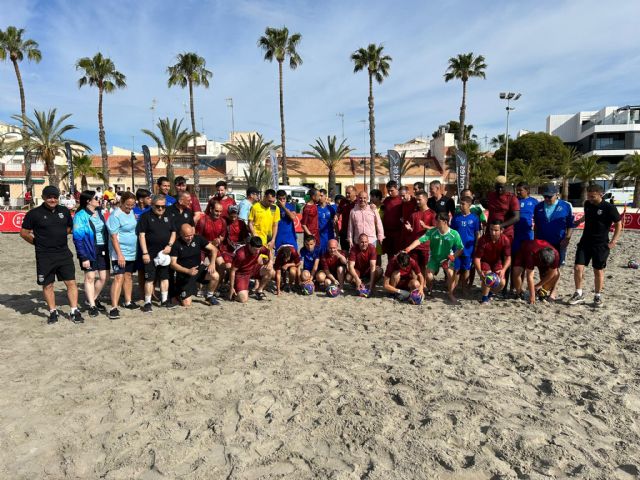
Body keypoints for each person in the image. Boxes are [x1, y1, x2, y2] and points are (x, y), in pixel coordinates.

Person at [20, 186, 82, 324]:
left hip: (63, 253)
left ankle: (74, 310)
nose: (52, 199)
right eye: (49, 197)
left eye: (55, 197)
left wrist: (58, 237)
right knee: (48, 285)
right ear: (43, 197)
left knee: (71, 282)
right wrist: (38, 243)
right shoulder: (34, 213)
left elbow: (69, 227)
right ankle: (53, 311)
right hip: (45, 255)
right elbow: (24, 233)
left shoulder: (64, 211)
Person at [568, 184, 622, 307]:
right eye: (589, 196)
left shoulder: (609, 207)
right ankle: (578, 293)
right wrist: (579, 221)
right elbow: (588, 215)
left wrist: (614, 241)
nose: (590, 199)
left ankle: (597, 296)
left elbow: (619, 224)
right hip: (585, 242)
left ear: (600, 194)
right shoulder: (587, 204)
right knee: (577, 268)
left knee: (598, 271)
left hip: (601, 244)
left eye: (592, 196)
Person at [404, 212, 464, 303]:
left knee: (451, 274)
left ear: (445, 221)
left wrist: (452, 256)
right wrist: (409, 248)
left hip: (446, 258)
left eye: (438, 220)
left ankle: (451, 294)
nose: (435, 222)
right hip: (434, 258)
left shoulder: (454, 234)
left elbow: (461, 248)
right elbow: (419, 241)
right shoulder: (432, 232)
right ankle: (430, 290)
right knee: (429, 276)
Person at [72, 190, 110, 317]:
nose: (99, 200)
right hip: (89, 249)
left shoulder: (99, 212)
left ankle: (91, 299)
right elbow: (77, 238)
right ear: (88, 201)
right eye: (96, 198)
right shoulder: (80, 215)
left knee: (104, 277)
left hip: (102, 248)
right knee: (90, 277)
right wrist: (83, 256)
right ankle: (93, 305)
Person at [137, 194, 177, 312]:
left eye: (163, 206)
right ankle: (148, 302)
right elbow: (142, 235)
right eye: (158, 206)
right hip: (150, 253)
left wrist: (169, 245)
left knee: (165, 277)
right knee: (150, 278)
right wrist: (144, 253)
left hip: (165, 253)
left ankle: (164, 300)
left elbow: (174, 232)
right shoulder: (145, 216)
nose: (160, 209)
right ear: (152, 205)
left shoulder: (169, 216)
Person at [170, 224, 220, 306]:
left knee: (215, 275)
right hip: (184, 274)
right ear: (181, 234)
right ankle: (178, 294)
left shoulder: (198, 238)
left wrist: (212, 263)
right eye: (187, 236)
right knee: (187, 304)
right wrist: (188, 271)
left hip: (198, 269)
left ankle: (209, 296)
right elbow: (173, 264)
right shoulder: (176, 244)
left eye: (191, 235)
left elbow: (214, 249)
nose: (190, 238)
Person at [106, 191, 139, 319]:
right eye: (127, 205)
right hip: (119, 252)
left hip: (131, 250)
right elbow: (114, 237)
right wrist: (120, 255)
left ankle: (128, 301)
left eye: (132, 205)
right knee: (119, 277)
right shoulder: (115, 215)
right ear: (121, 202)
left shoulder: (130, 213)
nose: (130, 208)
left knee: (128, 276)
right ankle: (114, 307)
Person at [533, 184, 573, 266]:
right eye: (545, 196)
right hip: (542, 242)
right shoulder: (538, 207)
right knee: (543, 267)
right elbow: (536, 225)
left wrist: (567, 239)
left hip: (558, 242)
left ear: (557, 195)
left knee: (556, 267)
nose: (547, 199)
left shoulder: (566, 206)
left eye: (549, 196)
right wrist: (535, 240)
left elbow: (570, 224)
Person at [473, 221, 512, 304]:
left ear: (501, 230)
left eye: (496, 230)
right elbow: (477, 258)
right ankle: (484, 299)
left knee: (502, 283)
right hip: (485, 261)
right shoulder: (483, 240)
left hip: (496, 262)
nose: (493, 232)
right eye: (491, 229)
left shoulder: (505, 240)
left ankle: (490, 293)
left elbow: (508, 258)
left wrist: (503, 270)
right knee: (488, 277)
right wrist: (480, 272)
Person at [512, 239, 560, 305]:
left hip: (541, 255)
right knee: (516, 271)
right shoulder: (531, 253)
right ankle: (519, 292)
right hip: (524, 251)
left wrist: (538, 285)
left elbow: (552, 273)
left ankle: (543, 291)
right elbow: (530, 276)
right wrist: (532, 296)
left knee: (556, 274)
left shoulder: (556, 254)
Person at [450, 196, 482, 293]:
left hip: (469, 248)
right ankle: (454, 288)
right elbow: (452, 232)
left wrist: (476, 246)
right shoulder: (456, 217)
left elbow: (477, 233)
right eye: (460, 204)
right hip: (457, 248)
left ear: (469, 205)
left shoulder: (475, 218)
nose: (461, 206)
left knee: (466, 269)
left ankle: (464, 288)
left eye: (463, 204)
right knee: (456, 269)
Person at [229, 235, 274, 303]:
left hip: (254, 269)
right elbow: (232, 271)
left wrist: (270, 261)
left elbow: (269, 251)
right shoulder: (241, 254)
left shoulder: (259, 248)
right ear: (249, 246)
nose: (257, 252)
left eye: (259, 249)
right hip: (242, 274)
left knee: (271, 271)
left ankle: (259, 291)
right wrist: (231, 288)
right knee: (243, 299)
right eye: (255, 249)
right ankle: (236, 292)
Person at [404, 191, 436, 274]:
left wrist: (426, 227)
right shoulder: (414, 214)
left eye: (419, 200)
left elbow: (436, 229)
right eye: (416, 200)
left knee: (425, 267)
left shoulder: (432, 214)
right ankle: (417, 285)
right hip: (414, 245)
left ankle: (425, 285)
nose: (417, 202)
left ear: (426, 199)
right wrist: (409, 229)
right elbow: (412, 229)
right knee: (414, 267)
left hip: (426, 247)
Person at [196, 200, 228, 282]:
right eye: (216, 211)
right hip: (202, 248)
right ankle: (199, 286)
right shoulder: (203, 220)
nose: (219, 213)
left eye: (221, 211)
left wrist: (219, 240)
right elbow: (197, 239)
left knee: (222, 265)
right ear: (211, 209)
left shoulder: (223, 221)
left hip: (215, 247)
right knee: (200, 266)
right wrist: (210, 243)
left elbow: (222, 236)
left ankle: (218, 286)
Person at [220, 205, 250, 270]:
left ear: (238, 214)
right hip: (226, 249)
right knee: (228, 266)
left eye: (235, 216)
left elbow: (247, 237)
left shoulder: (241, 223)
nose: (233, 218)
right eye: (231, 216)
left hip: (238, 248)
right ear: (228, 214)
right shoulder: (224, 222)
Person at [381, 180, 403, 258]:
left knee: (398, 254)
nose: (390, 193)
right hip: (387, 232)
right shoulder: (386, 200)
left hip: (398, 233)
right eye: (388, 191)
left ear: (396, 188)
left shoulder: (401, 200)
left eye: (392, 190)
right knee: (389, 255)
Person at [336, 186, 357, 251]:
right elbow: (338, 212)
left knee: (355, 251)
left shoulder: (359, 201)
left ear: (355, 193)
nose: (347, 195)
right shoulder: (343, 202)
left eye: (349, 193)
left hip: (356, 231)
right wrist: (336, 216)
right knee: (344, 251)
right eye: (346, 193)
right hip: (345, 230)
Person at [317, 188, 337, 254]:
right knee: (320, 255)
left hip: (329, 235)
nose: (320, 197)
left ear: (326, 196)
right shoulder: (315, 208)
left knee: (330, 254)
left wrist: (337, 234)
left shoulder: (332, 208)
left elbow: (335, 222)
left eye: (321, 195)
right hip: (319, 236)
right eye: (319, 196)